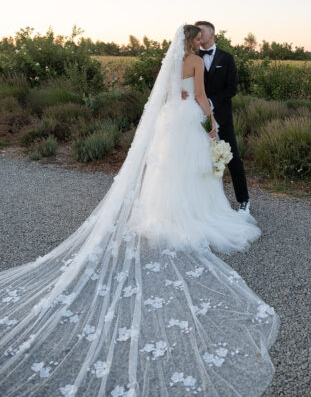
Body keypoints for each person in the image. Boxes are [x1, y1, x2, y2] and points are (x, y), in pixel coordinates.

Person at [0, 24, 279, 396]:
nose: (201, 41)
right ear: (193, 40)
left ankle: (163, 212)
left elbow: (166, 97)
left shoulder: (170, 63)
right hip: (187, 121)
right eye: (199, 36)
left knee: (168, 171)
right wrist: (211, 124)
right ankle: (193, 215)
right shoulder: (195, 60)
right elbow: (199, 95)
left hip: (168, 123)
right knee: (193, 172)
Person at [181, 21, 251, 215]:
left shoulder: (227, 58)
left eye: (201, 31)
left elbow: (232, 88)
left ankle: (244, 200)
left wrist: (210, 104)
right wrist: (180, 91)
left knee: (232, 157)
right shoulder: (190, 58)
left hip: (220, 114)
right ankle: (203, 203)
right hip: (195, 116)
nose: (198, 34)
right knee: (199, 158)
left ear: (211, 34)